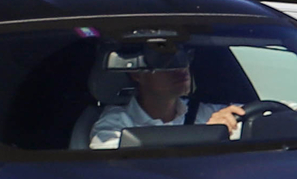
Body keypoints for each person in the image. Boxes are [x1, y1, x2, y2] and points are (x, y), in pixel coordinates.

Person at [88, 44, 245, 149]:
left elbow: (262, 120)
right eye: (167, 60)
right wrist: (210, 135)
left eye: (185, 56)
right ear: (137, 74)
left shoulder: (206, 113)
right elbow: (116, 169)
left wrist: (228, 123)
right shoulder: (116, 125)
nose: (182, 67)